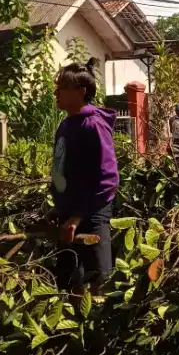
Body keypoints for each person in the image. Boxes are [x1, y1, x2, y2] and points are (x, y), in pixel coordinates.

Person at [51, 57, 119, 295]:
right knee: (71, 281)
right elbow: (63, 169)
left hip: (91, 216)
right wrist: (60, 208)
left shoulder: (93, 125)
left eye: (62, 88)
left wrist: (78, 217)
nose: (56, 92)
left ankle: (100, 329)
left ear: (81, 92)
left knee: (98, 281)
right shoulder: (66, 124)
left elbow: (108, 179)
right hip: (69, 216)